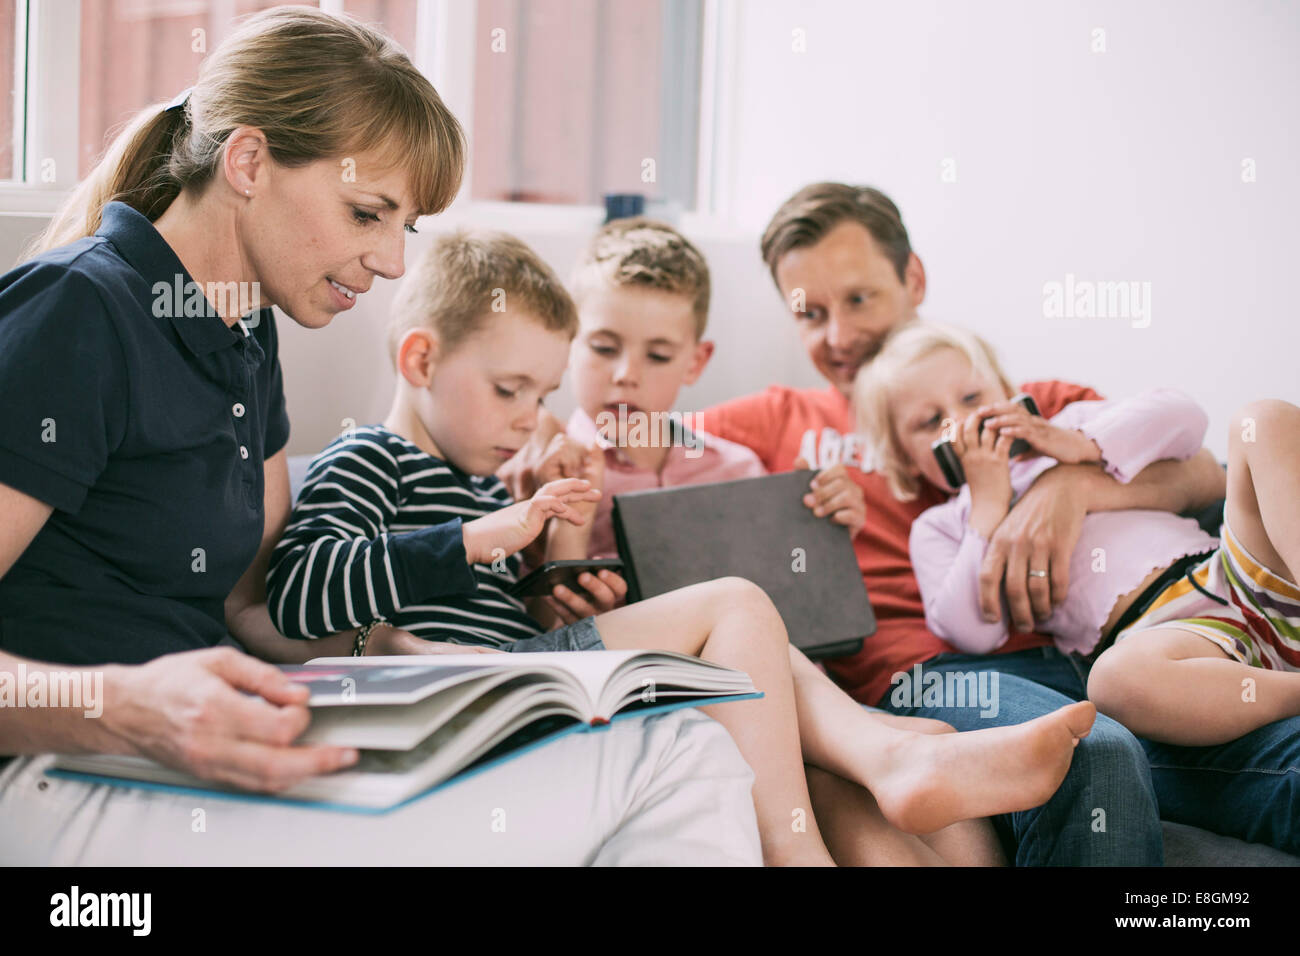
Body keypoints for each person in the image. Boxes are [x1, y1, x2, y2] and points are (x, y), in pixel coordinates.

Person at [0, 6, 764, 867]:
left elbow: (252, 610)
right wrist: (129, 704)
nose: (396, 262)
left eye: (408, 227)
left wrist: (398, 658)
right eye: (368, 213)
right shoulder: (77, 310)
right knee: (673, 766)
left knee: (680, 738)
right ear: (247, 161)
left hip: (202, 753)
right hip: (59, 775)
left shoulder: (249, 333)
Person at [266, 227, 1097, 866]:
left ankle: (892, 761)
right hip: (494, 682)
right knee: (738, 605)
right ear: (419, 360)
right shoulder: (378, 460)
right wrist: (502, 542)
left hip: (547, 670)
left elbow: (500, 607)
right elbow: (297, 593)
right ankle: (813, 829)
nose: (529, 415)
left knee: (757, 622)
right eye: (511, 391)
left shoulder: (497, 476)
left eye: (540, 394)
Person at [547, 217, 1015, 864]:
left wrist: (828, 527)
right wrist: (564, 553)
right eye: (602, 349)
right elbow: (545, 631)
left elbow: (794, 600)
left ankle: (891, 760)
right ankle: (885, 756)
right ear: (569, 344)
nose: (626, 376)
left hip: (798, 698)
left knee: (944, 827)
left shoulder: (734, 462)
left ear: (695, 361)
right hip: (674, 701)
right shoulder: (547, 466)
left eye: (656, 356)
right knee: (853, 805)